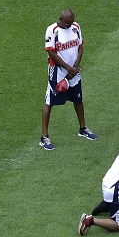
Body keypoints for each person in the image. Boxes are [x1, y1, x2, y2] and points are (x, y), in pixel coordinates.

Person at [41, 9, 96, 150]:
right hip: (58, 72)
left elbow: (80, 47)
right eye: (67, 23)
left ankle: (83, 128)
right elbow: (51, 53)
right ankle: (44, 137)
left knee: (78, 99)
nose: (70, 25)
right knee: (49, 102)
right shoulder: (52, 30)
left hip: (74, 71)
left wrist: (75, 67)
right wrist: (68, 68)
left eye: (71, 22)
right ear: (61, 19)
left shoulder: (75, 27)